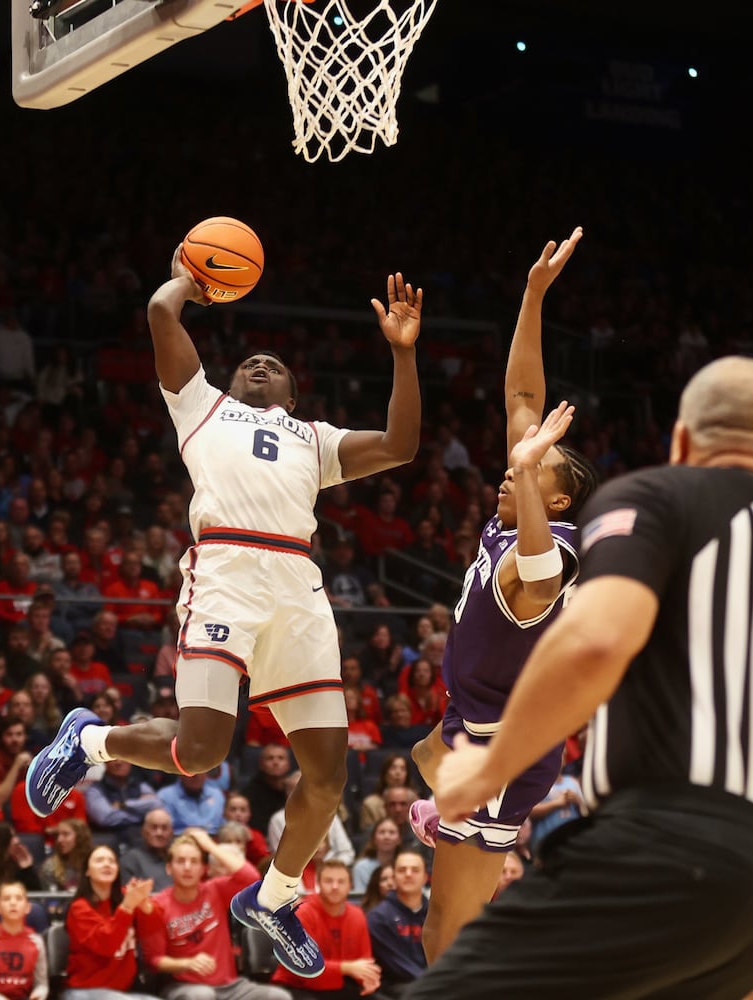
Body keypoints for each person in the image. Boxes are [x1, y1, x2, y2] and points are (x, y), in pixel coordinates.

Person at [412, 356, 753, 998]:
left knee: (455, 983)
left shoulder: (652, 499)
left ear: (682, 439)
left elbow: (597, 640)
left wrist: (488, 770)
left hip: (657, 849)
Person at [27, 251, 423, 979]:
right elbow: (158, 313)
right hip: (226, 573)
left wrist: (403, 354)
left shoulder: (317, 439)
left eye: (275, 364)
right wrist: (190, 274)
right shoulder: (201, 405)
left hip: (297, 590)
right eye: (253, 360)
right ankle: (91, 742)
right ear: (234, 379)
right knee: (204, 750)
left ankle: (271, 898)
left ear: (295, 392)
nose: (262, 364)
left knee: (330, 777)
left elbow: (401, 445)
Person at [400, 232, 597, 965]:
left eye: (532, 468)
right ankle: (440, 802)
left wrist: (527, 460)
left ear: (562, 493)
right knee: (421, 750)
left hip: (499, 754)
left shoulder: (548, 552)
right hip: (468, 720)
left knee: (445, 932)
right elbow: (521, 395)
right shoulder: (514, 504)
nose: (511, 472)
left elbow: (540, 571)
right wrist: (534, 295)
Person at [142, 829, 295, 1000]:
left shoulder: (215, 890)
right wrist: (187, 964)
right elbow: (155, 960)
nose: (187, 867)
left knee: (278, 996)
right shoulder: (158, 905)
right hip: (184, 987)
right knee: (202, 995)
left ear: (203, 869)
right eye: (180, 861)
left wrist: (210, 846)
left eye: (194, 861)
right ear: (169, 868)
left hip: (230, 987)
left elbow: (251, 878)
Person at [63, 844, 160, 1000]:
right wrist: (127, 907)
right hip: (85, 990)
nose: (107, 864)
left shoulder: (125, 897)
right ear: (87, 871)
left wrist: (145, 907)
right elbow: (106, 944)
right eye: (100, 860)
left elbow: (153, 931)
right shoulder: (79, 908)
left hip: (122, 990)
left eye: (112, 861)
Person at [272, 858, 380, 998]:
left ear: (350, 886)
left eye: (341, 882)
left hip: (338, 984)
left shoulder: (357, 915)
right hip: (297, 985)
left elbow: (364, 963)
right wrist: (347, 968)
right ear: (319, 884)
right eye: (329, 881)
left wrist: (368, 979)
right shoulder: (301, 913)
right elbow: (305, 967)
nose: (335, 886)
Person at [365, 846, 429, 999]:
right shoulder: (378, 917)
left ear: (425, 877)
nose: (408, 874)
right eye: (402, 870)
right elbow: (399, 966)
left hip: (433, 984)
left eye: (415, 870)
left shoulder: (437, 915)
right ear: (393, 878)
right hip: (396, 989)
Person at [0, 882, 50, 1000]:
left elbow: (41, 984)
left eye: (19, 899)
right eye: (6, 899)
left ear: (27, 908)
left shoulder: (37, 942)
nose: (13, 903)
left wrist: (38, 995)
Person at [120, 808, 175, 891]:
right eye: (154, 827)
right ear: (143, 831)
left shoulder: (178, 857)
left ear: (171, 833)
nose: (159, 833)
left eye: (164, 828)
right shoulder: (131, 860)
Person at [40, 817, 93, 891]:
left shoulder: (94, 864)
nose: (59, 840)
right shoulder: (50, 867)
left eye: (65, 834)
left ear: (80, 837)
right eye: (57, 835)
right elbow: (50, 900)